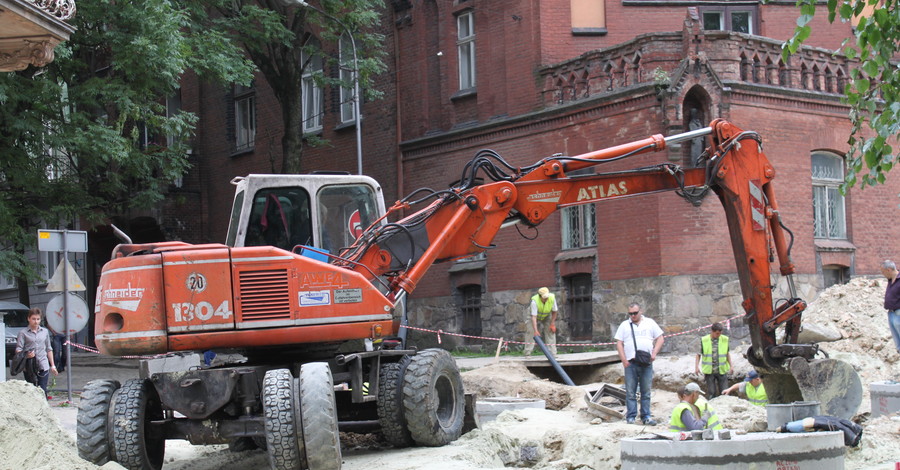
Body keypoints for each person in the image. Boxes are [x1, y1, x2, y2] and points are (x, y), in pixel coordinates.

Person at [615, 302, 665, 425]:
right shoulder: (624, 325)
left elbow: (660, 338)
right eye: (630, 314)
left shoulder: (650, 323)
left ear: (640, 311)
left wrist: (654, 353)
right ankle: (631, 416)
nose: (633, 316)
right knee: (630, 391)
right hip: (631, 362)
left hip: (646, 361)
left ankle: (646, 416)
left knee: (646, 391)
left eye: (635, 313)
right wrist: (624, 360)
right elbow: (619, 343)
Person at [15, 308, 58, 398]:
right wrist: (26, 355)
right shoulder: (23, 333)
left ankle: (44, 409)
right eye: (33, 319)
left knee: (42, 390)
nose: (36, 321)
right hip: (29, 366)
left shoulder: (45, 332)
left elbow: (49, 349)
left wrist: (53, 365)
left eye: (38, 319)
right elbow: (18, 350)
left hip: (43, 364)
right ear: (29, 319)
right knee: (32, 390)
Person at [694, 322, 732, 397]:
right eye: (717, 333)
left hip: (722, 370)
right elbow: (698, 355)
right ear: (712, 331)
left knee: (725, 392)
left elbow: (727, 353)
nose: (719, 335)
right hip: (709, 371)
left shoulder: (724, 339)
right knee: (712, 392)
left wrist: (731, 366)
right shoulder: (704, 340)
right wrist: (696, 367)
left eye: (720, 333)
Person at [523, 287, 559, 356]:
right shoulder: (534, 302)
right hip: (533, 316)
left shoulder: (552, 298)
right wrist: (536, 331)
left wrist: (552, 324)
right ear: (540, 296)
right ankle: (527, 353)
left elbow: (554, 311)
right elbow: (534, 317)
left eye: (547, 297)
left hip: (546, 315)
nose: (546, 299)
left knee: (550, 331)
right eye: (544, 297)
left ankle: (553, 353)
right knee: (531, 332)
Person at [882, 260, 900, 354]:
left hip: (898, 313)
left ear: (888, 270)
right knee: (898, 343)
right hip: (891, 313)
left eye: (883, 272)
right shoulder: (890, 280)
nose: (882, 274)